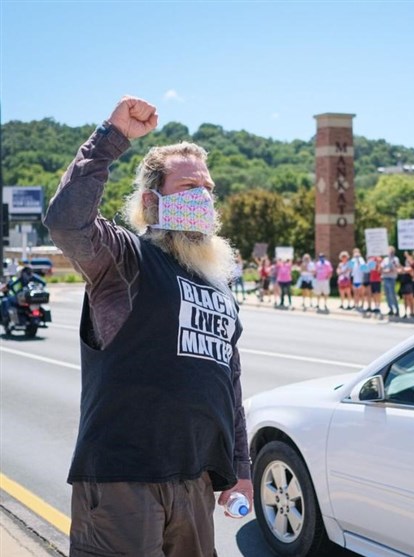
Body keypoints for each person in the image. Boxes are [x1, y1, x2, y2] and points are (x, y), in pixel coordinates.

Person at [42, 96, 252, 556]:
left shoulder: (217, 282)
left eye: (208, 188)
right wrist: (110, 138)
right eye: (189, 187)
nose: (203, 197)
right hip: (124, 480)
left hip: (195, 482)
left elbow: (227, 380)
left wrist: (241, 469)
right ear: (153, 201)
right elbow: (67, 223)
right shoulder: (123, 258)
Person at [380, 247, 401, 317]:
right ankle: (390, 309)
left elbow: (395, 268)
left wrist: (388, 270)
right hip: (385, 278)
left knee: (392, 295)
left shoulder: (395, 259)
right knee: (387, 295)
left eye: (390, 251)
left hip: (392, 278)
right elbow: (381, 268)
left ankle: (397, 310)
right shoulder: (385, 259)